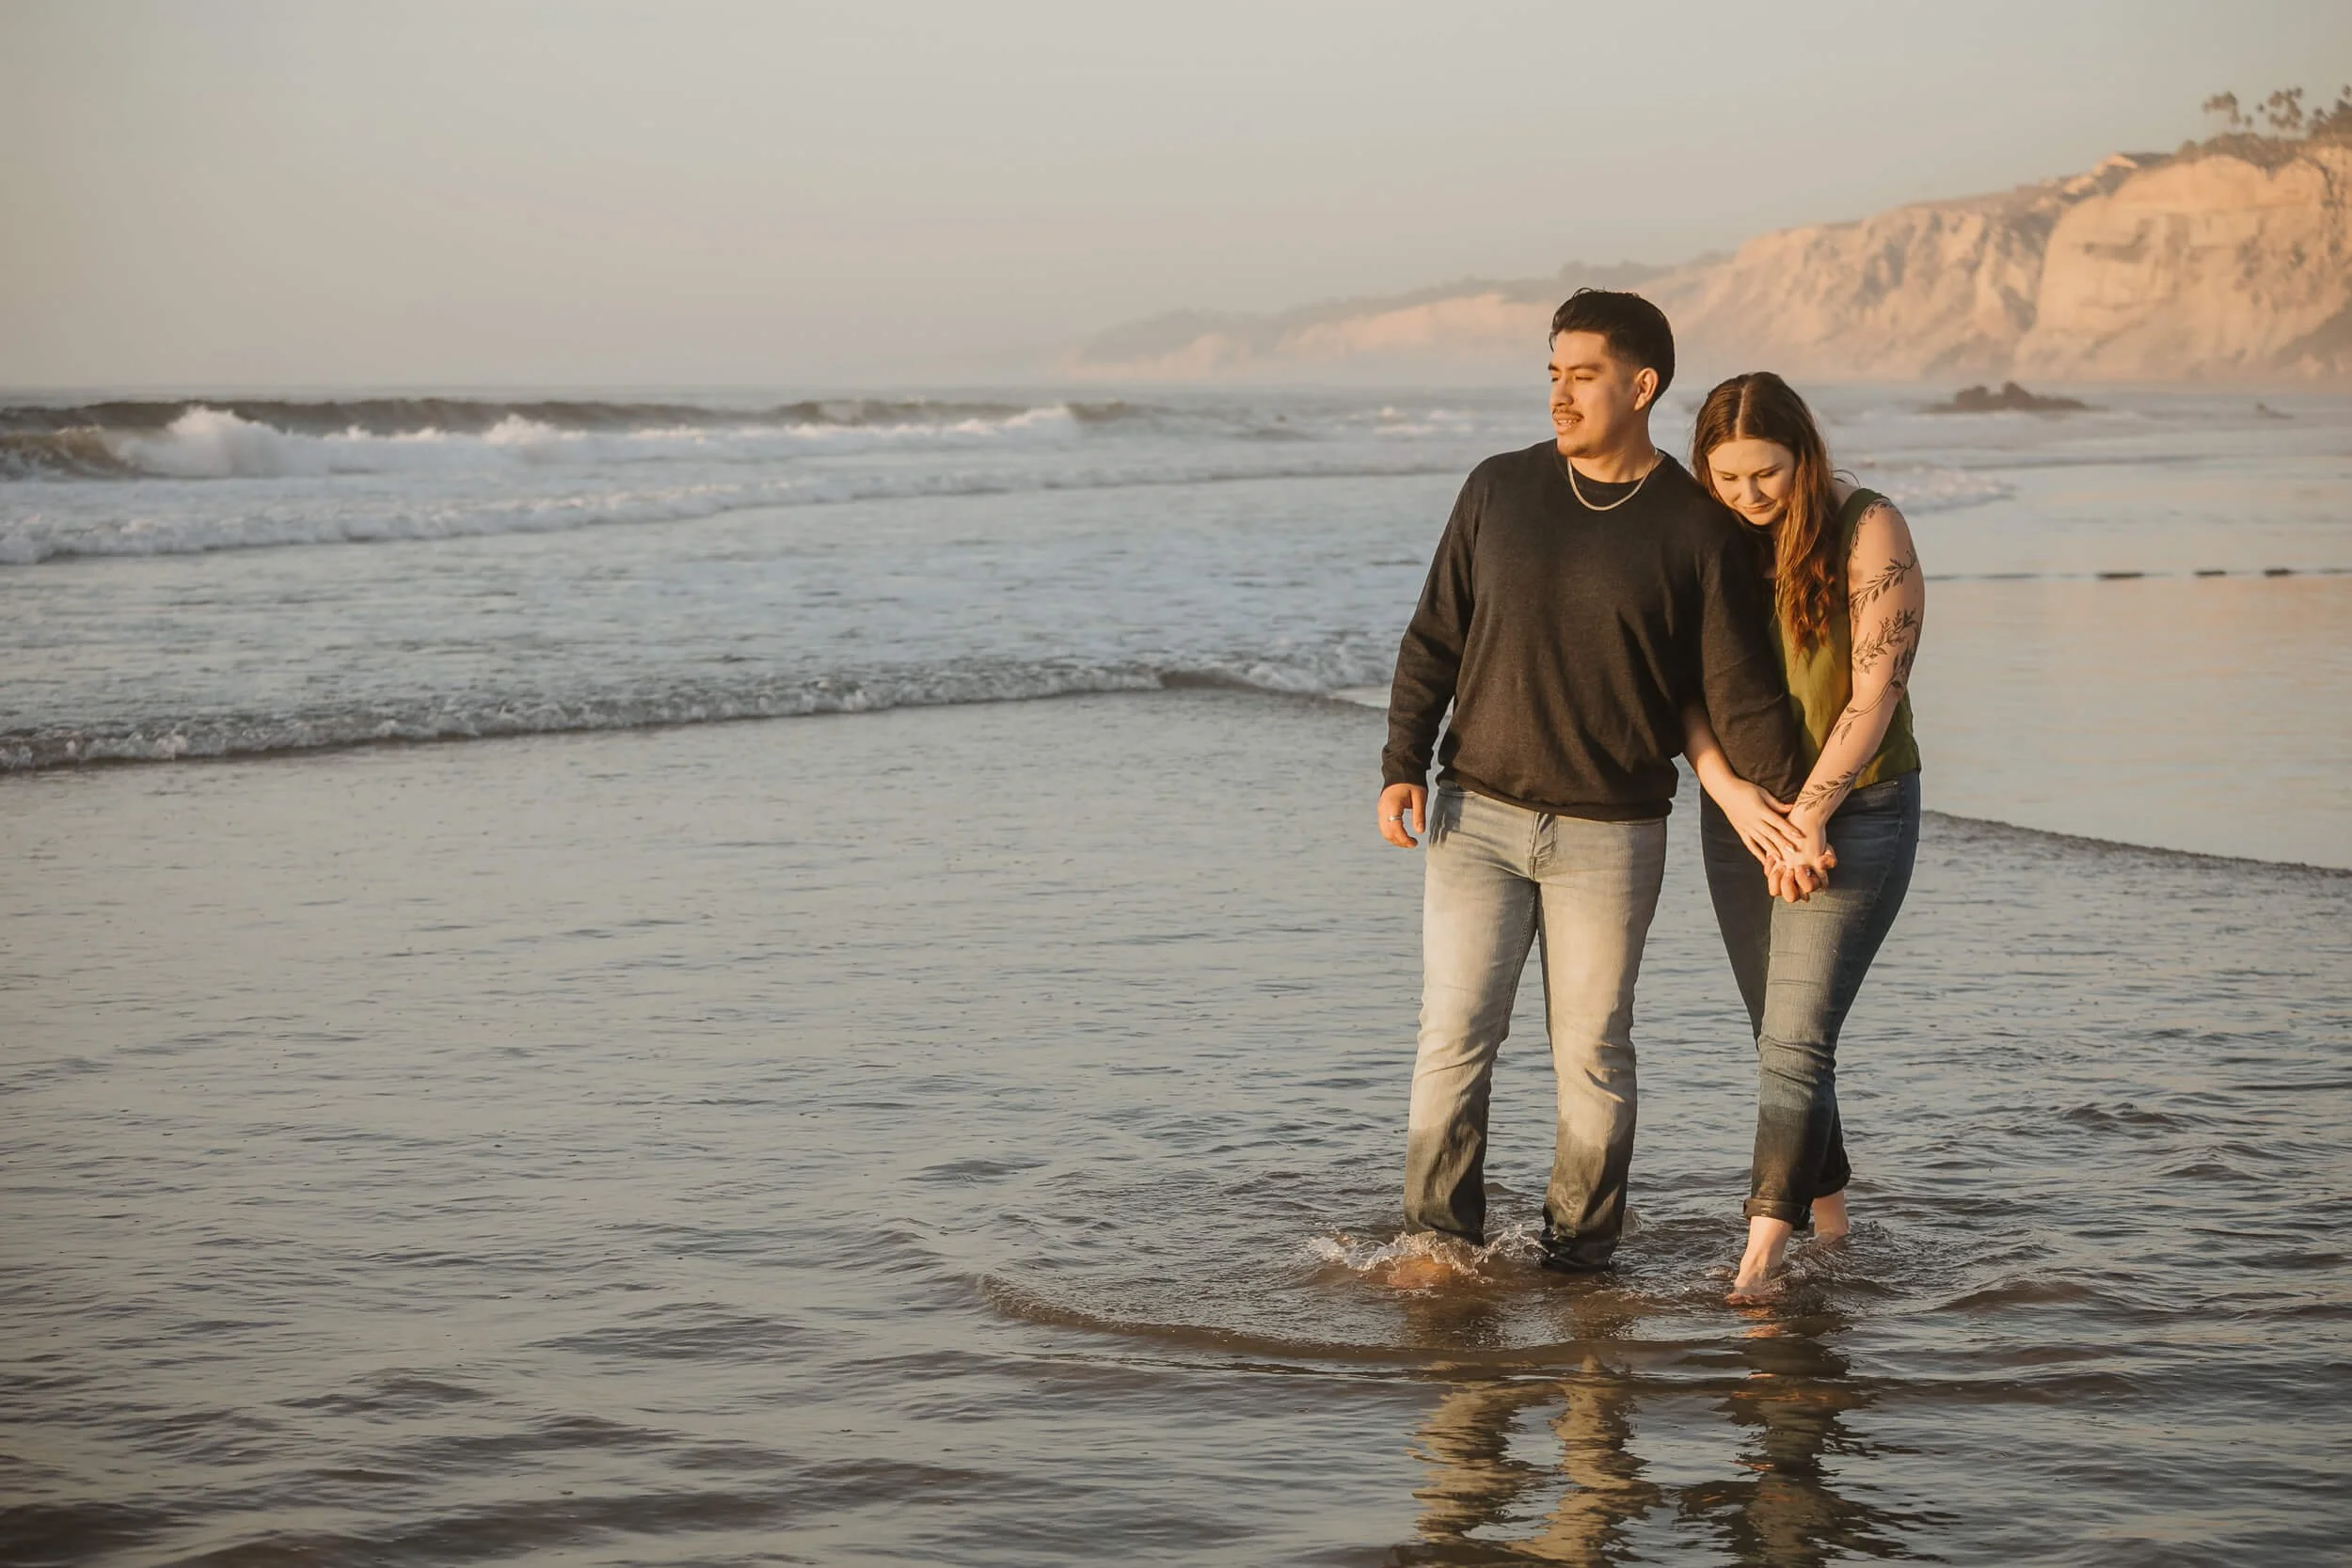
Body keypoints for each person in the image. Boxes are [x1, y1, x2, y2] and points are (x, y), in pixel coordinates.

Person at [1377, 291, 1820, 1275]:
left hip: (1611, 833)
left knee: (1593, 1054)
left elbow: (1737, 695)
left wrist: (1801, 812)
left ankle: (1578, 1257)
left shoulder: (1693, 528)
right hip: (1474, 816)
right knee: (1452, 1036)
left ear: (1641, 384)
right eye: (1552, 374)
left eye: (1582, 375)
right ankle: (1437, 1246)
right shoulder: (1496, 488)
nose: (1560, 396)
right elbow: (1433, 634)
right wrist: (1401, 761)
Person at [1677, 371, 1926, 1300]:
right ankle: (1831, 1232)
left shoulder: (1869, 527)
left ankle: (1756, 1266)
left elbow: (1874, 694)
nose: (1746, 497)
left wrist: (1805, 818)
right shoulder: (1704, 538)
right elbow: (1683, 697)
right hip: (1740, 815)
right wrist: (1738, 800)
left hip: (1857, 809)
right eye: (1727, 478)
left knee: (1793, 1038)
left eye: (1765, 475)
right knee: (1780, 1032)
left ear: (1802, 455)